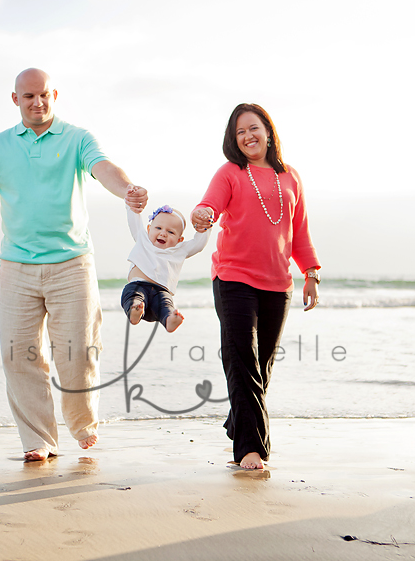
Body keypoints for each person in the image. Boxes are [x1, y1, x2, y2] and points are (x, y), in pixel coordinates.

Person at [0, 68, 148, 462]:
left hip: (72, 264)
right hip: (17, 266)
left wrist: (127, 190)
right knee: (19, 355)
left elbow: (104, 169)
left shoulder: (78, 138)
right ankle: (38, 439)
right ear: (15, 100)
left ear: (54, 95)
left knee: (77, 353)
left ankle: (82, 423)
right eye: (28, 97)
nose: (37, 103)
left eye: (43, 95)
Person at [191, 103, 321, 470]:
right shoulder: (231, 172)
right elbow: (209, 206)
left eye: (253, 128)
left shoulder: (291, 176)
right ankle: (252, 449)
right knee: (243, 361)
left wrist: (311, 272)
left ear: (268, 130)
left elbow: (300, 232)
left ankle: (238, 421)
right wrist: (202, 216)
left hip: (278, 284)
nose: (248, 137)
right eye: (240, 133)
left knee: (260, 366)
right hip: (233, 278)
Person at [121, 201, 211, 333]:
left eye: (170, 232)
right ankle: (134, 311)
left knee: (167, 305)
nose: (163, 233)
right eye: (158, 228)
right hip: (138, 285)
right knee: (133, 295)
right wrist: (132, 200)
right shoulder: (143, 239)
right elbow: (133, 217)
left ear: (179, 240)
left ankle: (169, 320)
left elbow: (198, 244)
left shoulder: (179, 250)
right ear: (148, 229)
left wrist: (206, 226)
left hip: (161, 292)